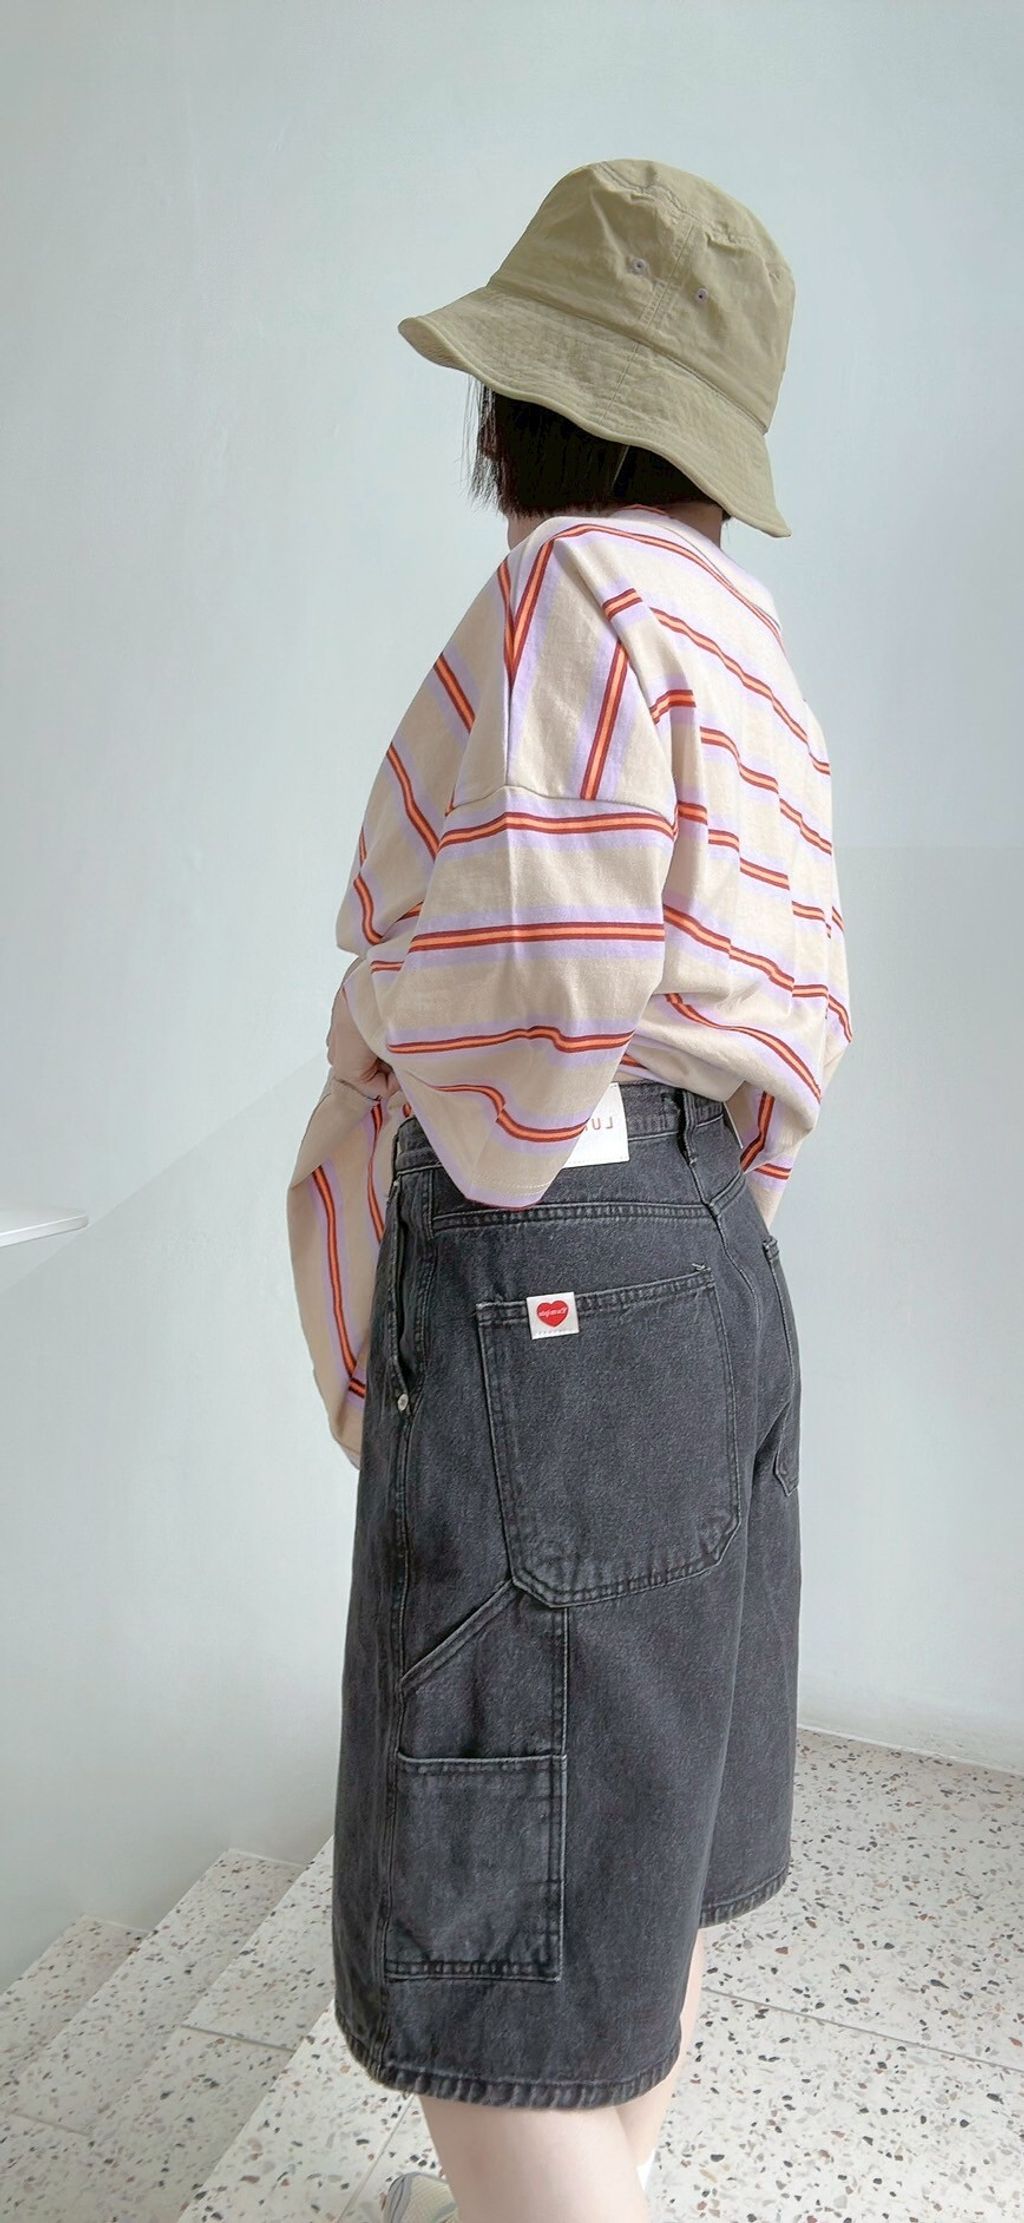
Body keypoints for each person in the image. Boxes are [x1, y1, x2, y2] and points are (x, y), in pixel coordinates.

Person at [285, 158, 853, 2223]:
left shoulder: (573, 592)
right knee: (626, 1825)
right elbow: (795, 997)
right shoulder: (743, 629)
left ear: (530, 401)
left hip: (561, 1228)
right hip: (706, 1253)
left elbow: (542, 989)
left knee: (497, 1883)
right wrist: (683, 1231)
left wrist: (380, 1023)